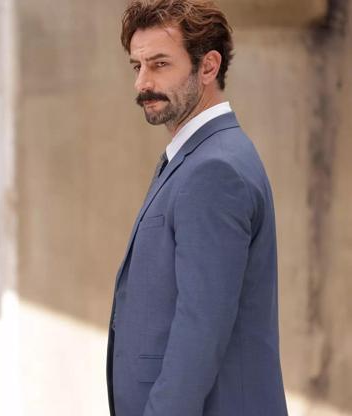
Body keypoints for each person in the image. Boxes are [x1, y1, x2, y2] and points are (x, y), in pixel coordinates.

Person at [107, 1, 288, 415]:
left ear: (208, 66)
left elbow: (201, 328)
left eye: (159, 64)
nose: (142, 82)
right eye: (137, 66)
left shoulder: (214, 169)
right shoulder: (201, 157)